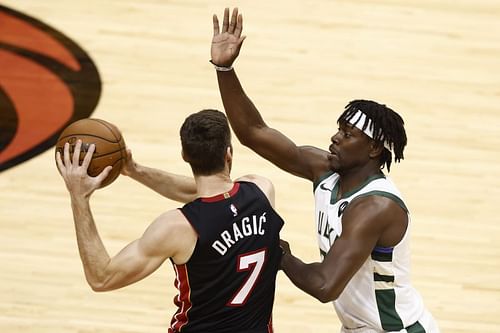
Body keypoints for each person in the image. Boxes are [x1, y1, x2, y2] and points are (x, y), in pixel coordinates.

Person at [208, 8, 439, 333]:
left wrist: (278, 251)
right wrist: (224, 68)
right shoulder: (325, 169)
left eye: (347, 134)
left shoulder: (375, 207)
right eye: (338, 129)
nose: (335, 137)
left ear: (374, 149)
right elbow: (254, 133)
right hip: (359, 327)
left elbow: (324, 284)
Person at [56, 109, 284, 333]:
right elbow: (208, 193)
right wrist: (135, 170)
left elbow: (102, 278)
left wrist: (79, 197)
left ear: (184, 156)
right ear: (228, 154)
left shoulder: (178, 227)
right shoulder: (261, 190)